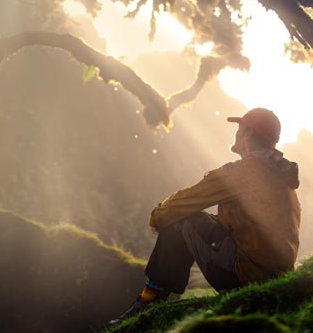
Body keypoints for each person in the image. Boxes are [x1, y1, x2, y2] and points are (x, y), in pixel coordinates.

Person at [108, 108, 301, 327]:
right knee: (198, 220)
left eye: (239, 128)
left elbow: (190, 199)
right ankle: (151, 300)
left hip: (248, 275)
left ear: (247, 134)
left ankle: (146, 303)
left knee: (182, 218)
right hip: (273, 274)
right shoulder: (279, 174)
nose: (236, 133)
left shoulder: (247, 170)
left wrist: (158, 217)